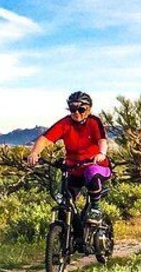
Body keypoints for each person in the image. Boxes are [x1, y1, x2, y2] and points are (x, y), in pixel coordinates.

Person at [26, 92, 112, 224]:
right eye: (73, 109)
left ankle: (96, 210)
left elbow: (102, 140)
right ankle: (69, 236)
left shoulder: (94, 122)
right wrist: (34, 153)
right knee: (65, 205)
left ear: (89, 109)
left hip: (97, 166)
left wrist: (101, 153)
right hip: (74, 169)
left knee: (91, 172)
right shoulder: (65, 123)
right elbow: (45, 139)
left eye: (81, 109)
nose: (76, 112)